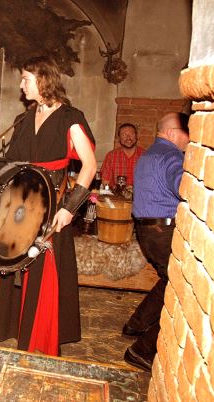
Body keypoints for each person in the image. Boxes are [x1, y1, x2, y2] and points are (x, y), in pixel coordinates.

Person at [0, 56, 97, 357]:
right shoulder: (24, 119)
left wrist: (69, 208)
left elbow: (89, 166)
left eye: (26, 79)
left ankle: (38, 336)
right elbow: (12, 163)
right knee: (1, 258)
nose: (21, 85)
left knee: (40, 266)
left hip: (51, 205)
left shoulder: (70, 118)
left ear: (43, 79)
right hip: (17, 200)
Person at [122, 112, 189, 372]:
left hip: (147, 230)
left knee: (169, 279)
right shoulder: (172, 155)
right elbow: (184, 187)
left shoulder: (149, 154)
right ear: (172, 133)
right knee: (182, 290)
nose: (189, 140)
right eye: (186, 134)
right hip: (164, 231)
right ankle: (142, 350)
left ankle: (136, 325)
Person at [100, 123, 145, 187]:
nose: (128, 138)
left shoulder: (145, 156)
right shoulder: (111, 156)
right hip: (116, 193)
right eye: (124, 135)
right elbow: (105, 181)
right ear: (119, 138)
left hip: (139, 193)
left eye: (132, 134)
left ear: (136, 136)